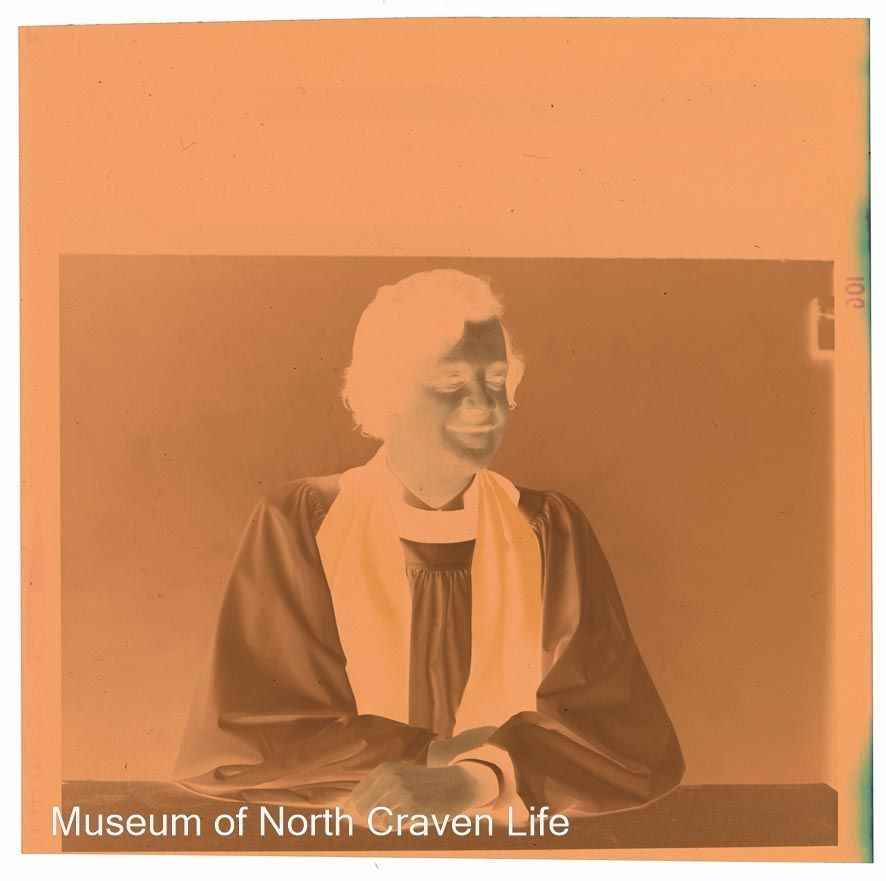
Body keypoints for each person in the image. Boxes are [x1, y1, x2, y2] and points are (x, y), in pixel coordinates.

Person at [174, 269, 684, 822]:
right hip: (346, 831)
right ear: (387, 393)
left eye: (497, 378)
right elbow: (257, 735)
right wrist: (433, 755)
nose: (485, 403)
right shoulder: (303, 522)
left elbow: (622, 737)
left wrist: (470, 779)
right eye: (451, 380)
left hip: (502, 836)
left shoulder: (549, 530)